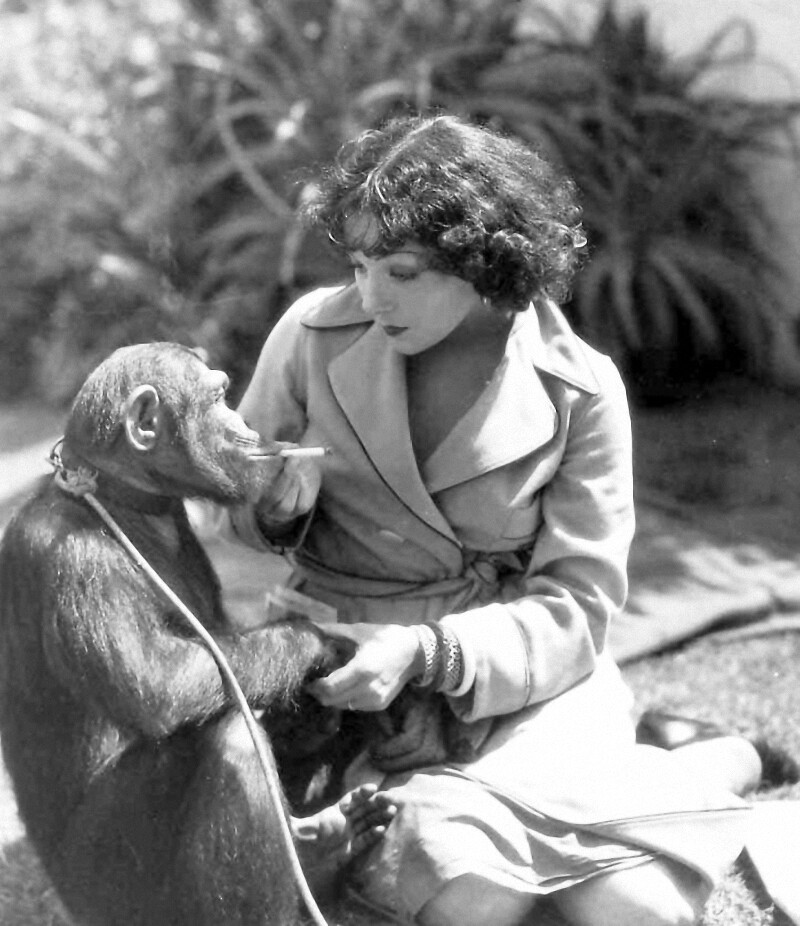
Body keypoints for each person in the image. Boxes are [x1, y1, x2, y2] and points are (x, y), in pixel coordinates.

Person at [221, 113, 762, 926]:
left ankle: (713, 764)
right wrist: (268, 507)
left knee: (637, 908)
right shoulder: (308, 336)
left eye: (401, 271)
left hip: (514, 679)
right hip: (346, 675)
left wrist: (432, 656)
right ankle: (679, 767)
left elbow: (577, 606)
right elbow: (233, 507)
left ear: (484, 259)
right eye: (359, 265)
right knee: (474, 899)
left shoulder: (581, 388)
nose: (370, 295)